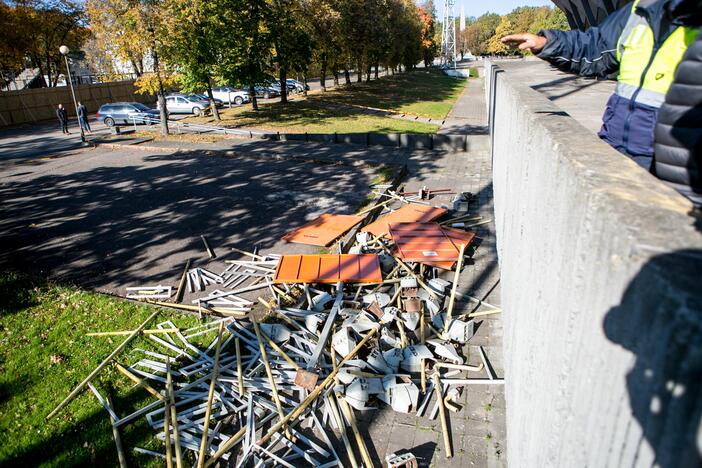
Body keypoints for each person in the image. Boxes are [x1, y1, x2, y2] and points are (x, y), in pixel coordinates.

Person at [501, 0, 700, 171]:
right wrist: (545, 43)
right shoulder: (641, 10)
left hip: (677, 170)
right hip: (618, 150)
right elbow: (596, 47)